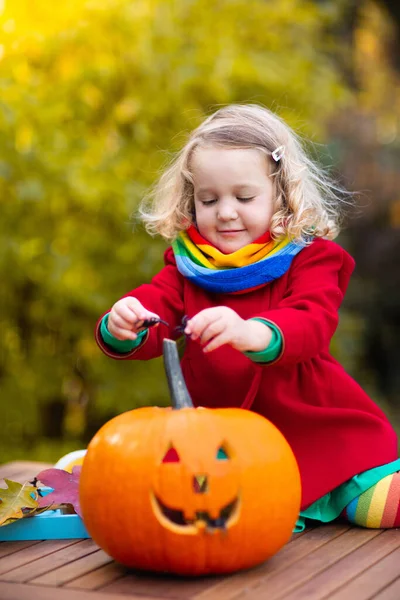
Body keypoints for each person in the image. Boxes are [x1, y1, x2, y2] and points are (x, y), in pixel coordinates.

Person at [95, 104, 400, 531]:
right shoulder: (187, 266)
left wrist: (255, 331)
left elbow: (313, 320)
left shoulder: (310, 259)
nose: (225, 211)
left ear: (282, 195)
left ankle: (349, 492)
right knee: (234, 522)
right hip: (229, 450)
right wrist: (122, 323)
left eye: (244, 197)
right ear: (191, 201)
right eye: (209, 199)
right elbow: (155, 315)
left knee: (381, 510)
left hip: (318, 428)